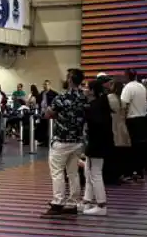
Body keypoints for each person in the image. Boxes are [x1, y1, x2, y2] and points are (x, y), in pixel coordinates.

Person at [44, 69, 87, 217]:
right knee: (73, 173)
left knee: (57, 172)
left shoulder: (61, 97)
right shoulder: (85, 97)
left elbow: (48, 113)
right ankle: (73, 202)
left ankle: (58, 201)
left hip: (62, 140)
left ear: (69, 79)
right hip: (78, 141)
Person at [82, 76, 113, 216]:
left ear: (93, 90)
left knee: (95, 173)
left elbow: (96, 124)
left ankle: (101, 204)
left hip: (97, 143)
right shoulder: (101, 103)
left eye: (88, 88)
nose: (85, 90)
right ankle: (87, 201)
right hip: (99, 142)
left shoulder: (96, 106)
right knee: (89, 172)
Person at [120, 69, 147, 181]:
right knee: (140, 147)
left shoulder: (128, 88)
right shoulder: (142, 87)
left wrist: (121, 120)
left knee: (130, 147)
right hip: (142, 120)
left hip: (132, 121)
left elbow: (124, 105)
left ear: (127, 76)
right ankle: (140, 171)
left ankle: (129, 172)